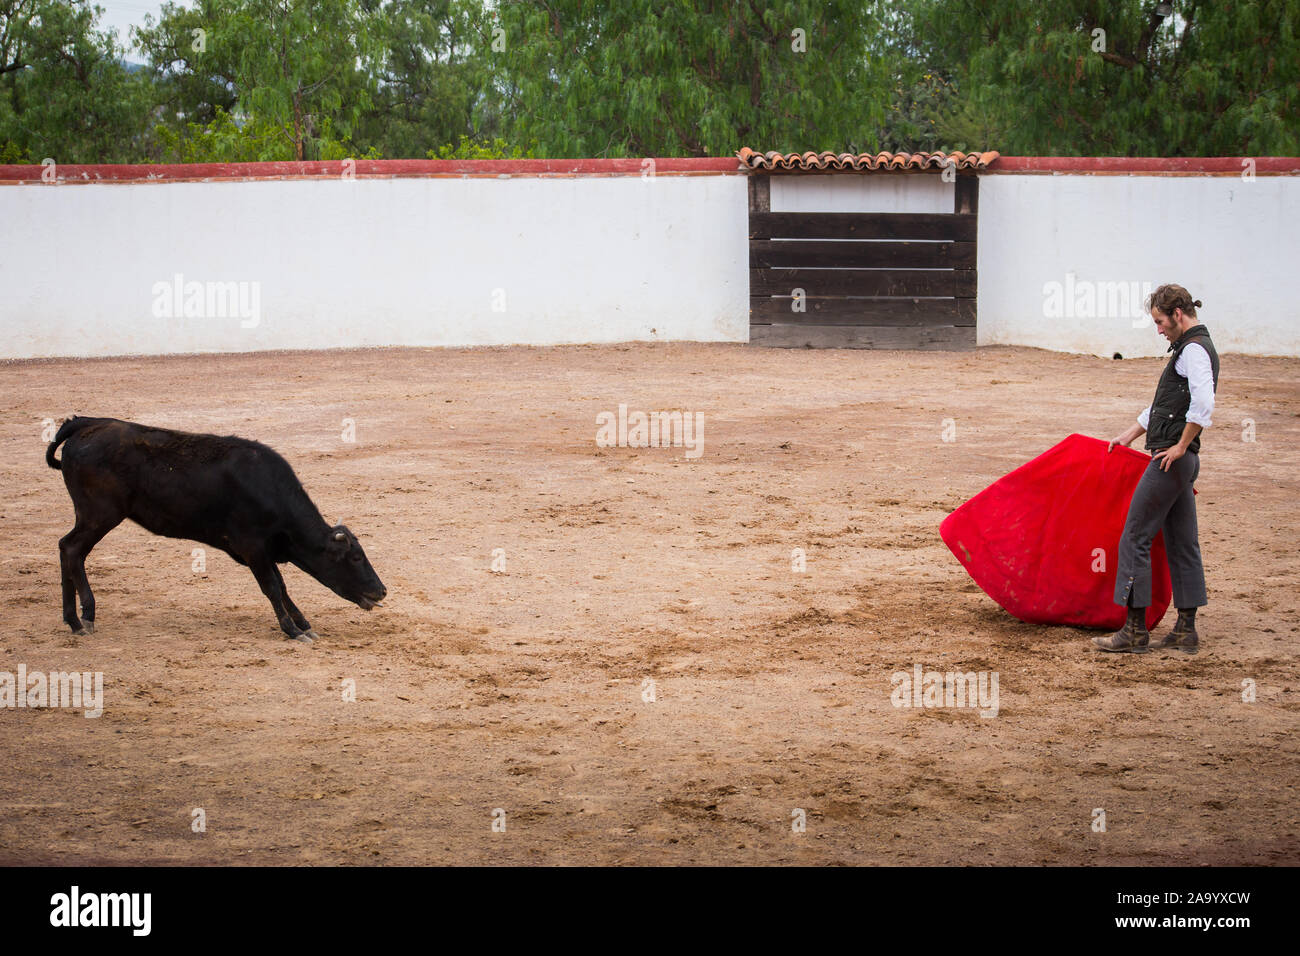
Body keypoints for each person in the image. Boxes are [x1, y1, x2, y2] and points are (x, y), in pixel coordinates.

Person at [1094, 284, 1219, 654]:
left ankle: (1133, 631)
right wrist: (1132, 433)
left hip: (1171, 460)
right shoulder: (1193, 347)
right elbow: (1167, 406)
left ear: (1178, 314)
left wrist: (1179, 445)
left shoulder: (1193, 350)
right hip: (1181, 461)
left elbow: (1203, 402)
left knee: (1135, 535)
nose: (1159, 329)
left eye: (1161, 322)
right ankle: (1185, 630)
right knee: (1183, 542)